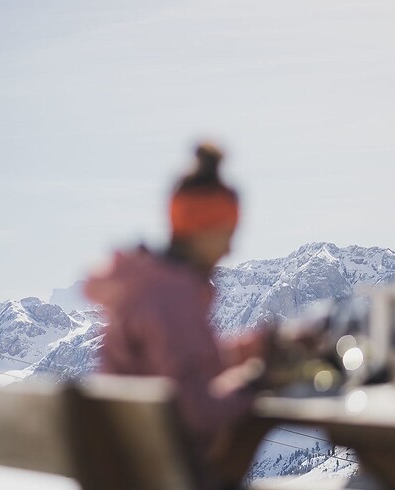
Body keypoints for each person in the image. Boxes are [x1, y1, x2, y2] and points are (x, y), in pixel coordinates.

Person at [84, 143, 268, 489]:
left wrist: (252, 349)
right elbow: (197, 411)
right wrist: (257, 380)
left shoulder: (144, 287)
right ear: (201, 230)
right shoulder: (172, 297)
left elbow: (179, 367)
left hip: (129, 473)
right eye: (226, 234)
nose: (230, 249)